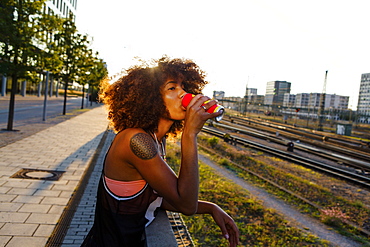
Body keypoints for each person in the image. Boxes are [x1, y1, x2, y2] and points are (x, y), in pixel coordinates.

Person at [82, 56, 239, 247]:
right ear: (150, 97)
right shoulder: (136, 140)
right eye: (172, 88)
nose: (183, 94)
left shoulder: (156, 139)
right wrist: (189, 135)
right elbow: (186, 205)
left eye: (184, 87)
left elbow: (154, 199)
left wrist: (211, 208)